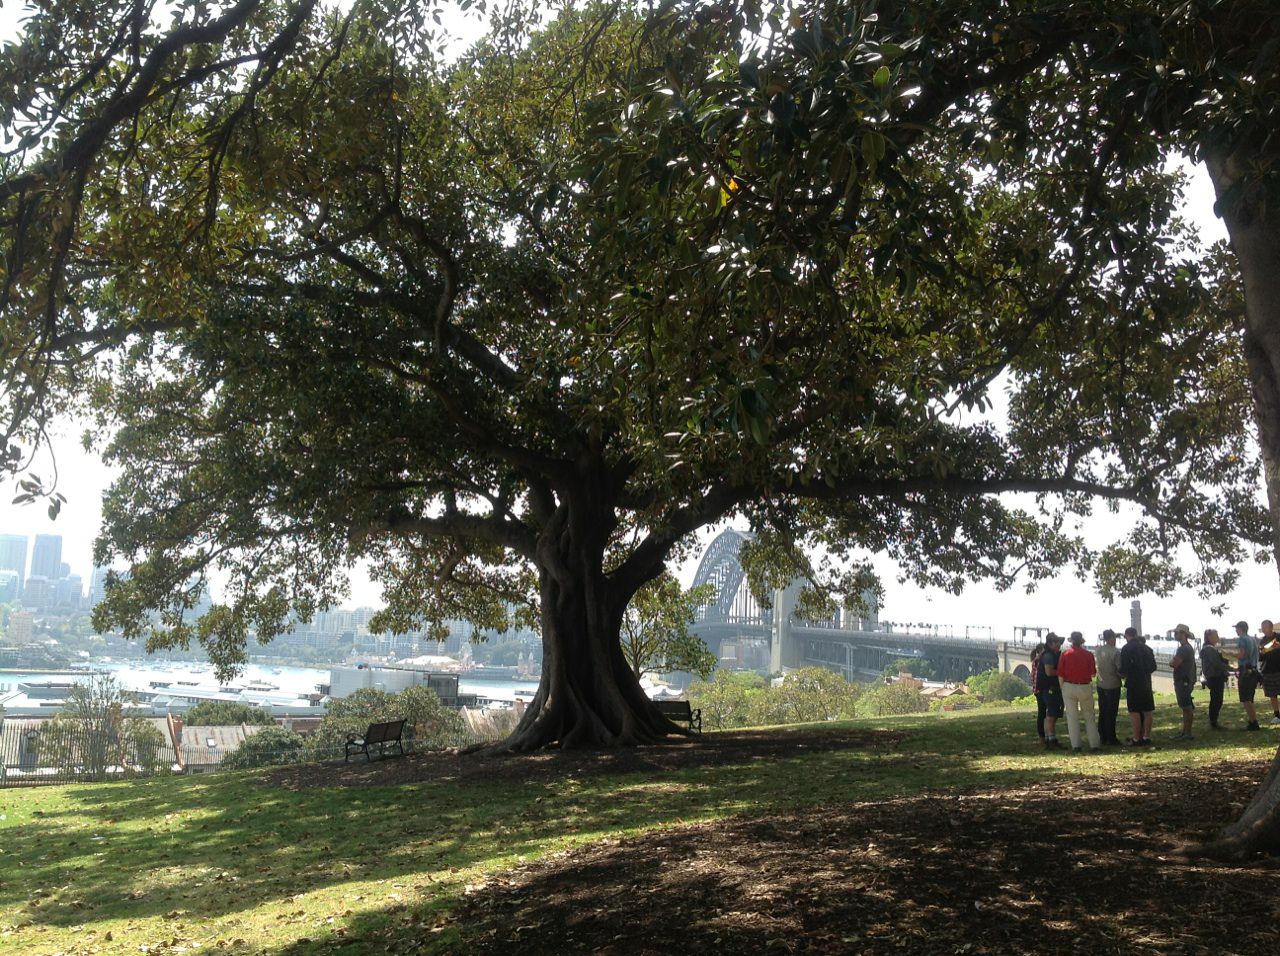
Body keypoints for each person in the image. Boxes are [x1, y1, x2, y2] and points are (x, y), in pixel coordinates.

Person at [1058, 631, 1100, 751]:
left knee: (1072, 717)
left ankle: (1076, 745)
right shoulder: (1088, 655)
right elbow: (1092, 673)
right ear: (1082, 641)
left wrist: (1063, 688)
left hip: (1069, 685)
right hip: (1084, 686)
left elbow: (1060, 674)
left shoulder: (1065, 654)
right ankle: (1094, 744)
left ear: (1071, 641)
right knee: (1089, 716)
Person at [1118, 626, 1156, 746]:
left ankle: (1136, 738)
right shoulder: (1147, 649)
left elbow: (1123, 668)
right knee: (1147, 710)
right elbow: (1153, 666)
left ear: (1127, 636)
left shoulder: (1126, 649)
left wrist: (1120, 673)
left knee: (1134, 711)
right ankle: (1146, 736)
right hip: (1146, 682)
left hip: (1133, 682)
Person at [1169, 623, 1197, 740]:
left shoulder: (1184, 648)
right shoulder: (1186, 648)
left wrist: (1172, 661)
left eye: (1176, 633)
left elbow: (1174, 663)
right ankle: (1185, 731)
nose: (1174, 635)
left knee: (1186, 707)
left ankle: (1187, 733)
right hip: (1185, 680)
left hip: (1183, 681)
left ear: (1183, 634)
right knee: (1185, 706)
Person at [1095, 628, 1122, 745]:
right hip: (1113, 684)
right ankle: (1111, 737)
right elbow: (1119, 669)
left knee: (1103, 710)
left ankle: (1102, 736)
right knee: (1111, 712)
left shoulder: (1098, 650)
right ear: (1111, 638)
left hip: (1101, 683)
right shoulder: (1116, 652)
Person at [1039, 633, 1066, 749]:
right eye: (1058, 642)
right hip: (1050, 689)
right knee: (1051, 715)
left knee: (1053, 715)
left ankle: (1051, 739)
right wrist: (1063, 672)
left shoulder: (1051, 654)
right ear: (1051, 643)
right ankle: (1051, 740)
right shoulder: (1049, 656)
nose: (1060, 645)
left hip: (1050, 689)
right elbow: (1049, 672)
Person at [1200, 628, 1230, 730]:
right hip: (1214, 677)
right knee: (1216, 700)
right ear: (1209, 637)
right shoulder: (1209, 649)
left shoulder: (1209, 648)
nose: (1217, 637)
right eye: (1215, 635)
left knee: (1217, 699)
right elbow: (1216, 663)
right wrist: (1229, 668)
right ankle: (1213, 722)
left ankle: (1214, 721)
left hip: (1214, 676)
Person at [1236, 620, 1262, 731]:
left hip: (1246, 671)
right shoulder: (1252, 639)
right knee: (1250, 698)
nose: (1236, 631)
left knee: (1246, 698)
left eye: (1237, 628)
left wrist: (1229, 654)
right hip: (1254, 671)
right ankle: (1252, 720)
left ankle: (1253, 722)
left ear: (1240, 629)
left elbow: (1242, 655)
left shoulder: (1242, 639)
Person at [1260, 619, 1280, 724]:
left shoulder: (1279, 637)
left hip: (1279, 669)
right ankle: (1277, 715)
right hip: (1268, 670)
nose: (1263, 630)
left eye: (1265, 627)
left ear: (1271, 627)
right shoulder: (1262, 640)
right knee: (1272, 694)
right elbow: (1260, 657)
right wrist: (1262, 652)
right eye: (1262, 628)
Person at [1029, 642, 1047, 742]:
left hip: (1037, 690)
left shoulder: (1035, 660)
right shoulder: (1039, 660)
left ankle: (1043, 736)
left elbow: (1032, 677)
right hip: (1041, 690)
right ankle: (1043, 736)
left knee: (1042, 713)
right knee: (1042, 713)